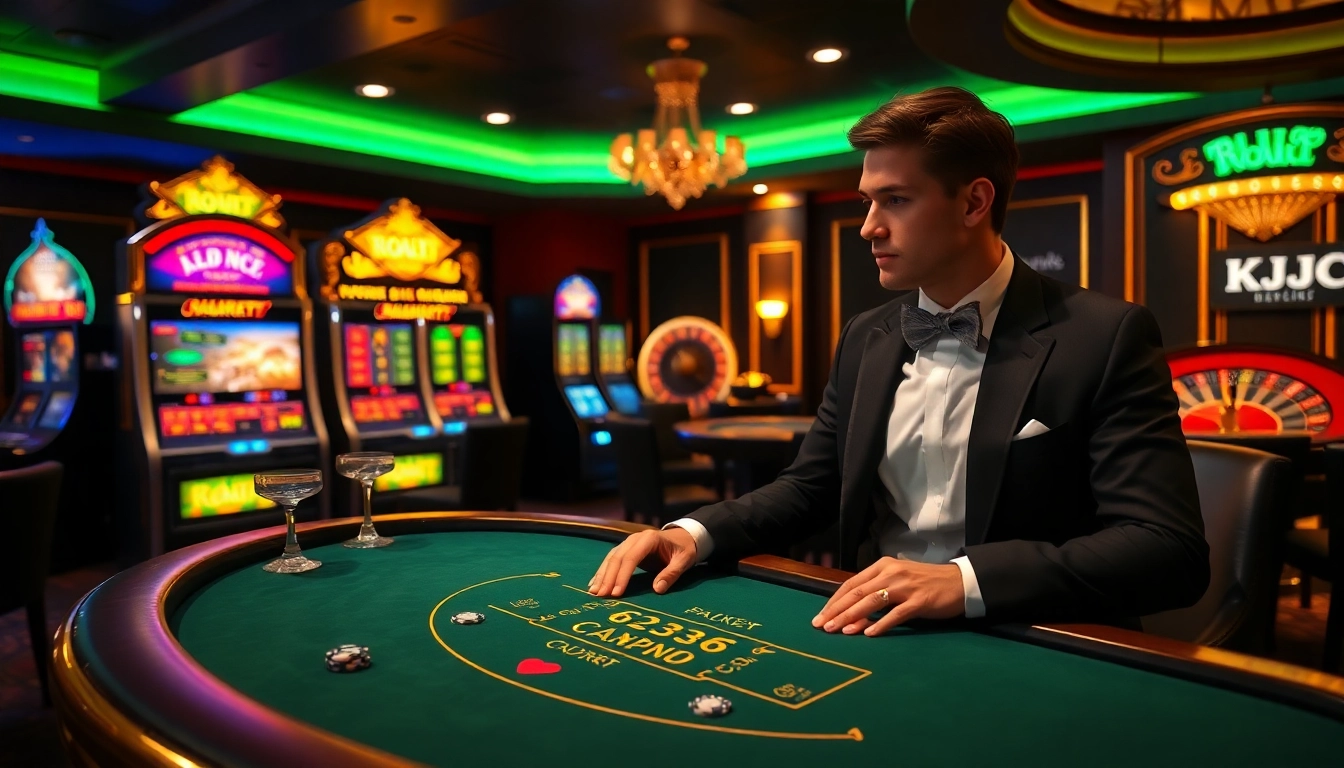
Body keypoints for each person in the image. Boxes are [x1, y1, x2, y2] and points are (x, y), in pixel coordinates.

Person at [588, 86, 1209, 636]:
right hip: (870, 627)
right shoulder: (868, 336)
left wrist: (964, 582)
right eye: (867, 201)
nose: (868, 228)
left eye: (896, 201)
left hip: (1029, 634)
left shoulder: (1104, 335)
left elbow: (1167, 550)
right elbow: (809, 488)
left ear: (973, 203)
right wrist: (690, 535)